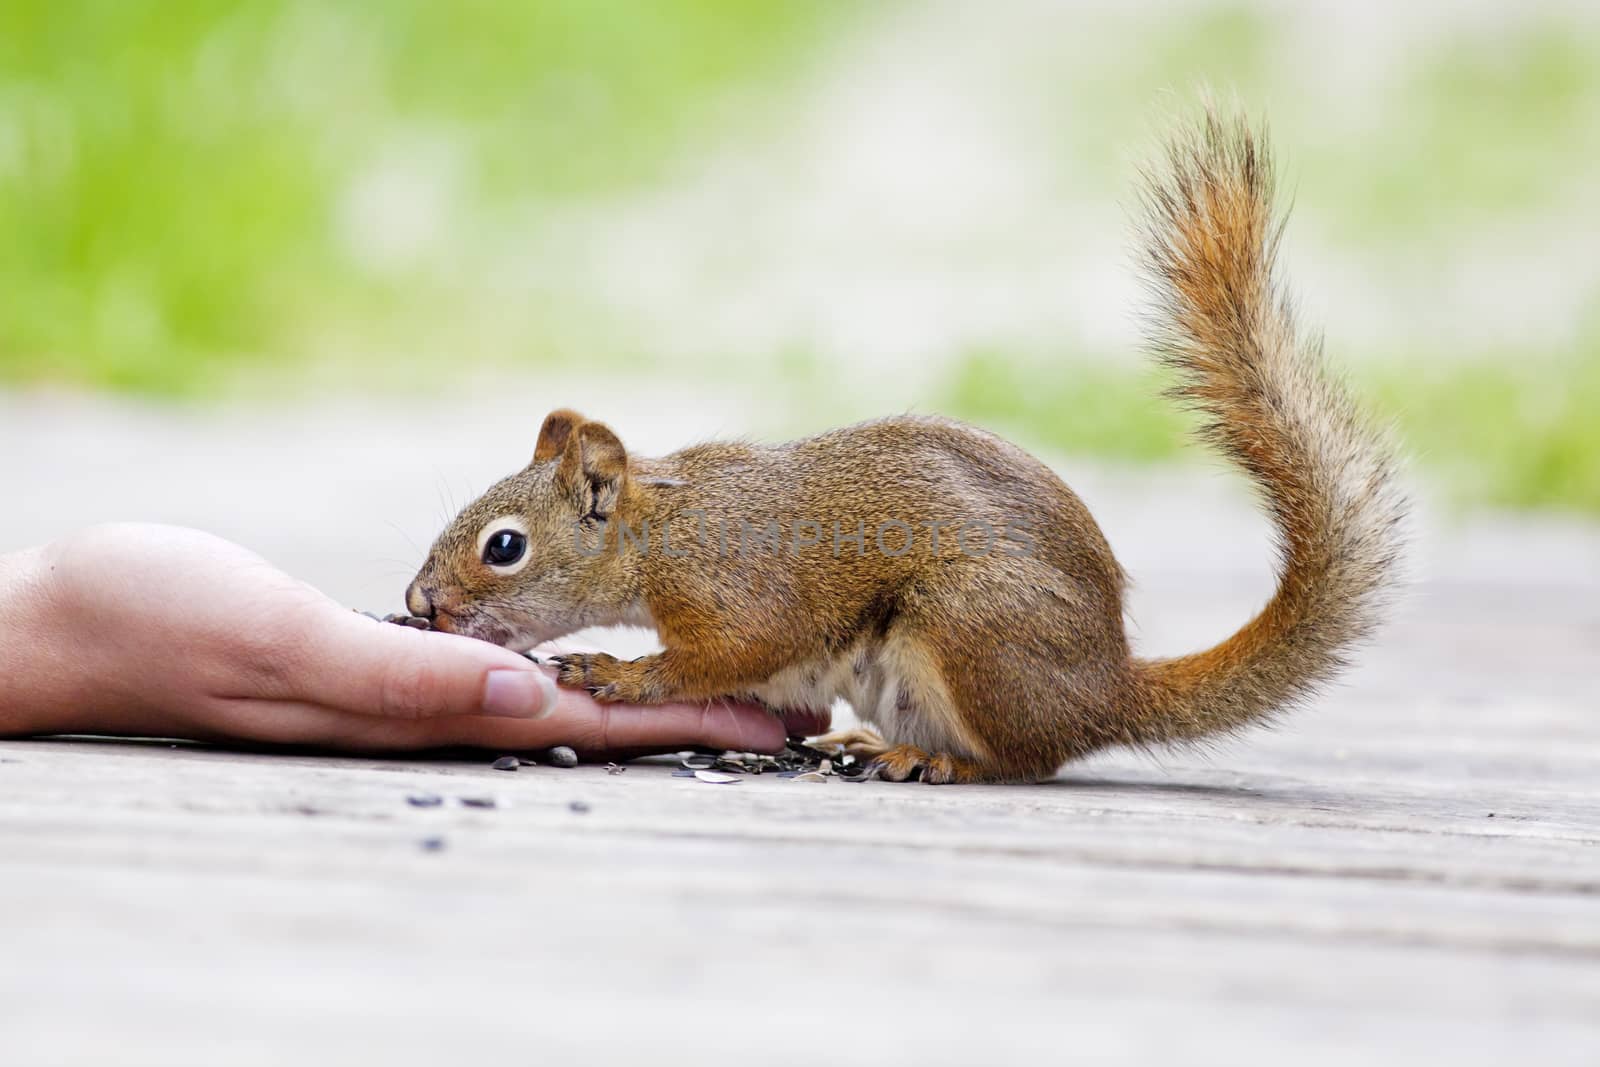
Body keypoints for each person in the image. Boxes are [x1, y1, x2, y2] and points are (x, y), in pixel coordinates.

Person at [0, 523, 825, 754]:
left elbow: (755, 637)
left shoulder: (696, 566)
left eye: (501, 554)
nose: (424, 603)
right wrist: (65, 623)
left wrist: (644, 675)